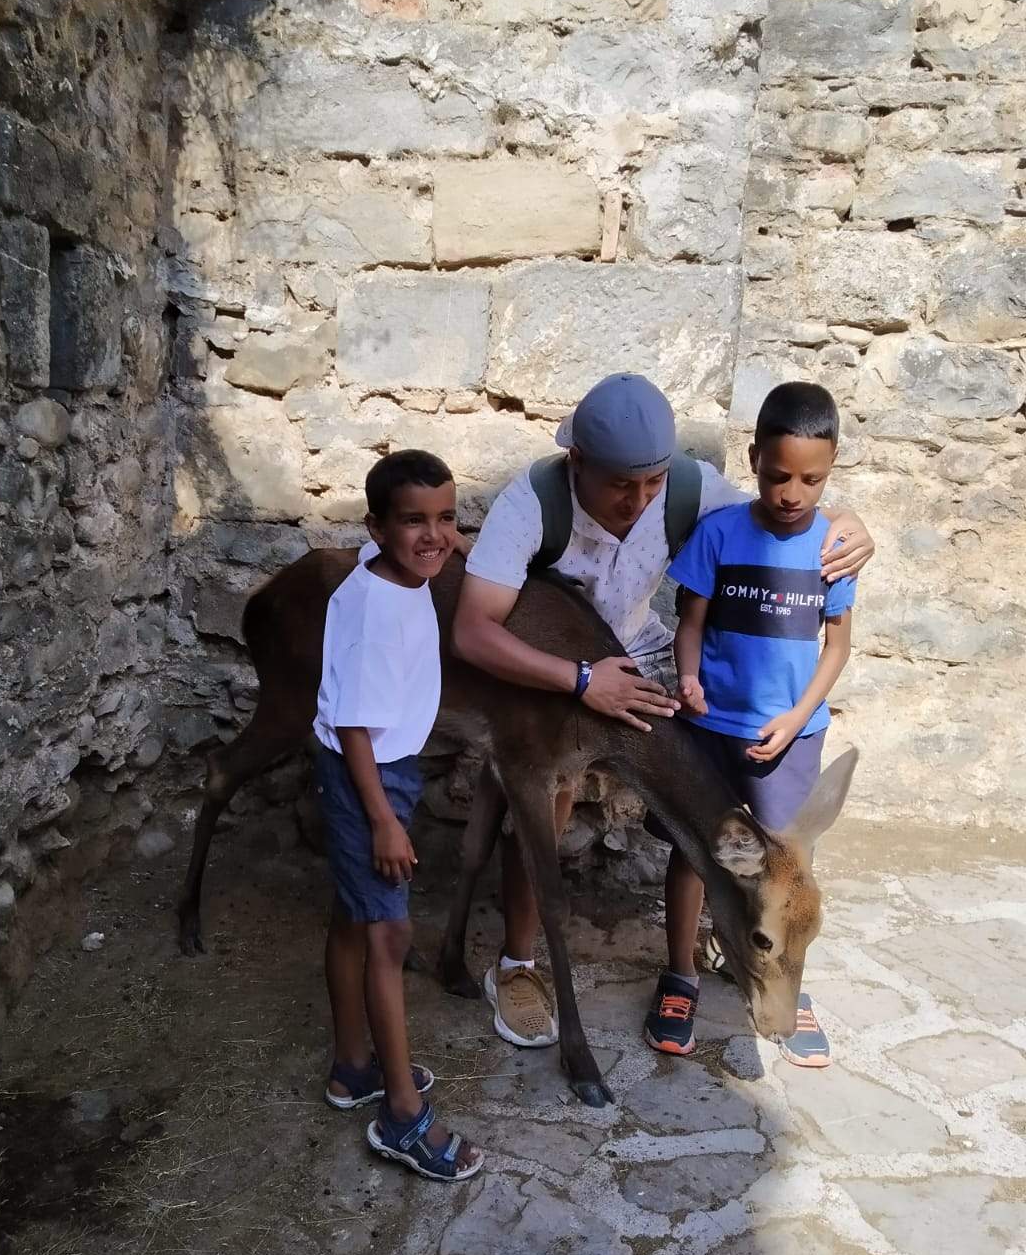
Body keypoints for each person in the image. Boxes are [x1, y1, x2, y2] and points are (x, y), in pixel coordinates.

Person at [452, 373, 875, 1052]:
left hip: (636, 648)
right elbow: (473, 631)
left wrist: (852, 529)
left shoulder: (689, 487)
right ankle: (519, 964)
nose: (640, 501)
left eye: (653, 483)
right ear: (578, 463)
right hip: (553, 670)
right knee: (550, 794)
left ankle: (736, 942)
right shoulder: (529, 503)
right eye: (622, 485)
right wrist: (583, 680)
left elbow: (776, 516)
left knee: (705, 793)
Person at [644, 381, 855, 1067]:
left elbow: (839, 645)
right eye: (777, 475)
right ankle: (681, 972)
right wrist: (690, 678)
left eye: (812, 480)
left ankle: (787, 984)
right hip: (712, 729)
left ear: (831, 471)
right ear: (755, 457)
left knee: (786, 871)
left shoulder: (833, 549)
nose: (793, 492)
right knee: (694, 853)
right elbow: (690, 625)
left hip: (790, 737)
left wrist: (798, 718)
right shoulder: (720, 533)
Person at [315, 448, 482, 1182]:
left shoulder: (396, 570)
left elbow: (435, 543)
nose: (434, 536)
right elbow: (353, 726)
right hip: (367, 778)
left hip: (388, 767)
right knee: (389, 934)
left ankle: (355, 1068)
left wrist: (450, 541)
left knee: (356, 919)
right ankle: (403, 1117)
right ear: (376, 526)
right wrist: (383, 819)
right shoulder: (371, 611)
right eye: (413, 521)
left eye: (445, 519)